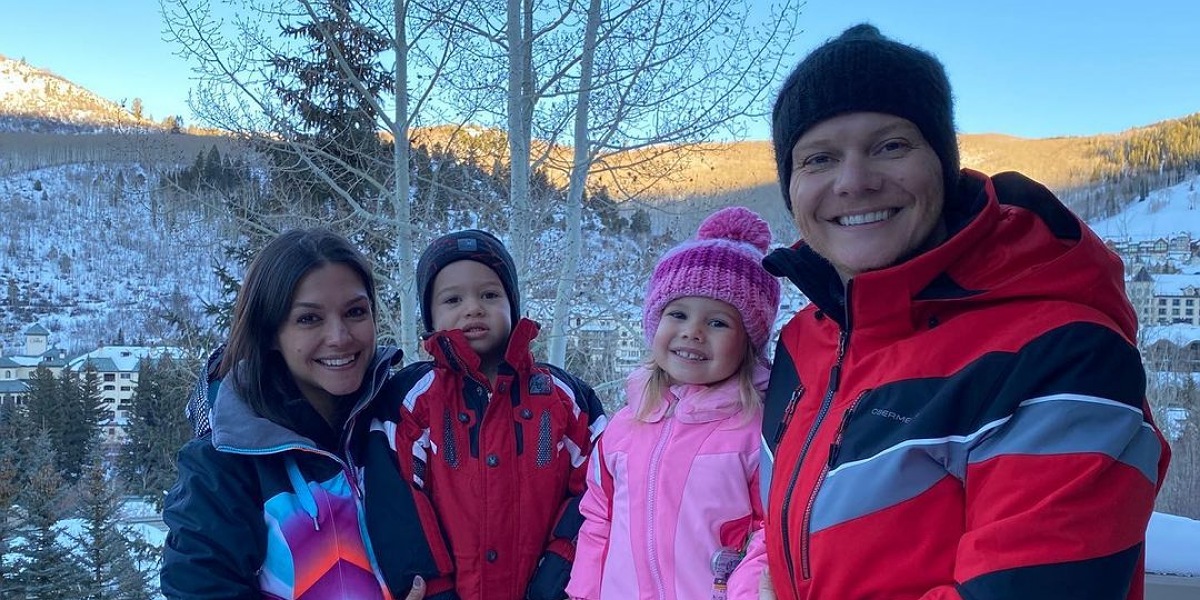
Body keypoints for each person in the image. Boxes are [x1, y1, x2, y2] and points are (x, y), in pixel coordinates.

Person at [744, 23, 1172, 600]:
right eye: (818, 158)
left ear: (942, 165)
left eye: (890, 146)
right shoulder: (803, 342)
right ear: (791, 186)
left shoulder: (1060, 355)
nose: (853, 182)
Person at [161, 227, 426, 599]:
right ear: (271, 331)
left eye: (355, 312)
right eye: (309, 319)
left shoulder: (404, 421)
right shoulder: (227, 459)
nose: (339, 336)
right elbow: (200, 589)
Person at [360, 229, 608, 600]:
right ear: (431, 315)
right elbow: (396, 503)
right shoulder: (413, 402)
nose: (473, 307)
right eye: (453, 299)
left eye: (489, 295)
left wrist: (560, 570)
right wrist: (432, 588)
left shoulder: (565, 398)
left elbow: (600, 486)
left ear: (513, 304)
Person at [565, 206, 781, 600]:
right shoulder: (626, 426)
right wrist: (584, 593)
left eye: (718, 322)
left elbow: (771, 530)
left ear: (749, 342)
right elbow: (599, 516)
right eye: (677, 314)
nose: (693, 332)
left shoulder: (755, 432)